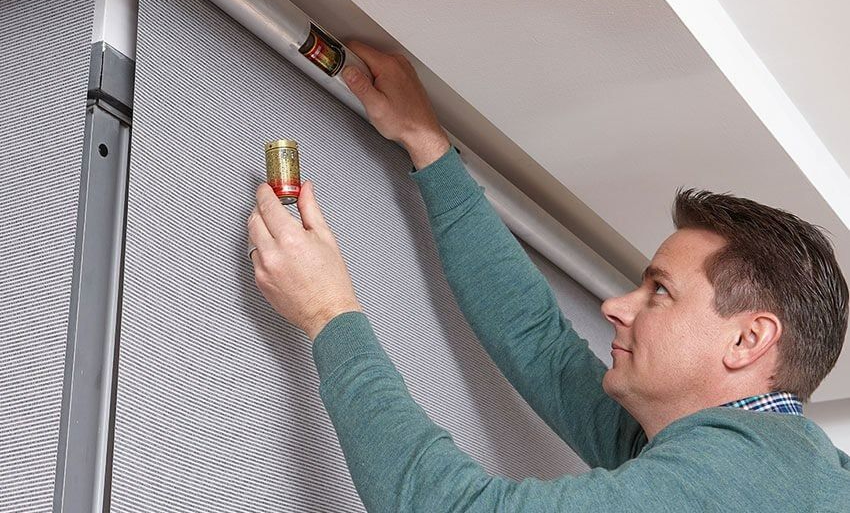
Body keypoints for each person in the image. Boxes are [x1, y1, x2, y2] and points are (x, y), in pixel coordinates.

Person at [246, 41, 850, 512]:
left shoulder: (743, 475)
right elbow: (538, 344)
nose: (616, 305)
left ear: (748, 340)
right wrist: (427, 145)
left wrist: (330, 315)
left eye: (660, 292)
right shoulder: (756, 464)